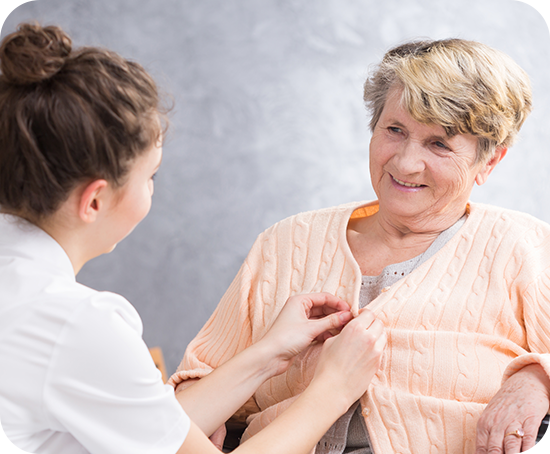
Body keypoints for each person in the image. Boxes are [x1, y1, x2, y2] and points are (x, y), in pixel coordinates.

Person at [0, 23, 388, 454]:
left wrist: (270, 354)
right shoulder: (75, 325)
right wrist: (332, 389)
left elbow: (150, 426)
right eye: (150, 177)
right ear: (94, 200)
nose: (152, 191)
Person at [171, 39, 550, 454]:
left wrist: (536, 379)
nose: (405, 163)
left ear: (489, 161)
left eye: (439, 143)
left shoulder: (524, 247)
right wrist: (206, 417)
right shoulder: (285, 243)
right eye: (395, 130)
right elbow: (197, 380)